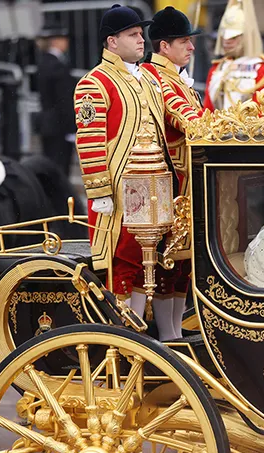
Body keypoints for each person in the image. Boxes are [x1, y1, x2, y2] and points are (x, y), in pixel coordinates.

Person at [74, 4, 201, 320]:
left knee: (151, 263)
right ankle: (122, 335)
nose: (141, 39)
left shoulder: (149, 79)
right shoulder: (94, 83)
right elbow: (90, 143)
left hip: (154, 188)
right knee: (122, 266)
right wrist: (100, 192)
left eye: (140, 33)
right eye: (132, 34)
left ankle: (146, 333)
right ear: (111, 42)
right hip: (119, 193)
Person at [143, 6, 204, 340]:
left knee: (182, 266)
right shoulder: (157, 79)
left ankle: (174, 331)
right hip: (172, 185)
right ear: (164, 46)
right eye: (184, 42)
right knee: (170, 264)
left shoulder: (173, 77)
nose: (191, 48)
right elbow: (187, 121)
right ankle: (168, 335)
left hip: (187, 184)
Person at [204, 0, 264, 111]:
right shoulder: (216, 69)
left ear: (246, 37)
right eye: (223, 36)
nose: (226, 41)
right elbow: (208, 111)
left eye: (233, 37)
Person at [36, 27, 77, 179]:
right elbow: (63, 99)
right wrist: (70, 127)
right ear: (55, 41)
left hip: (50, 123)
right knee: (59, 168)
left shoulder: (46, 61)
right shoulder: (55, 65)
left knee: (53, 166)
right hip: (58, 124)